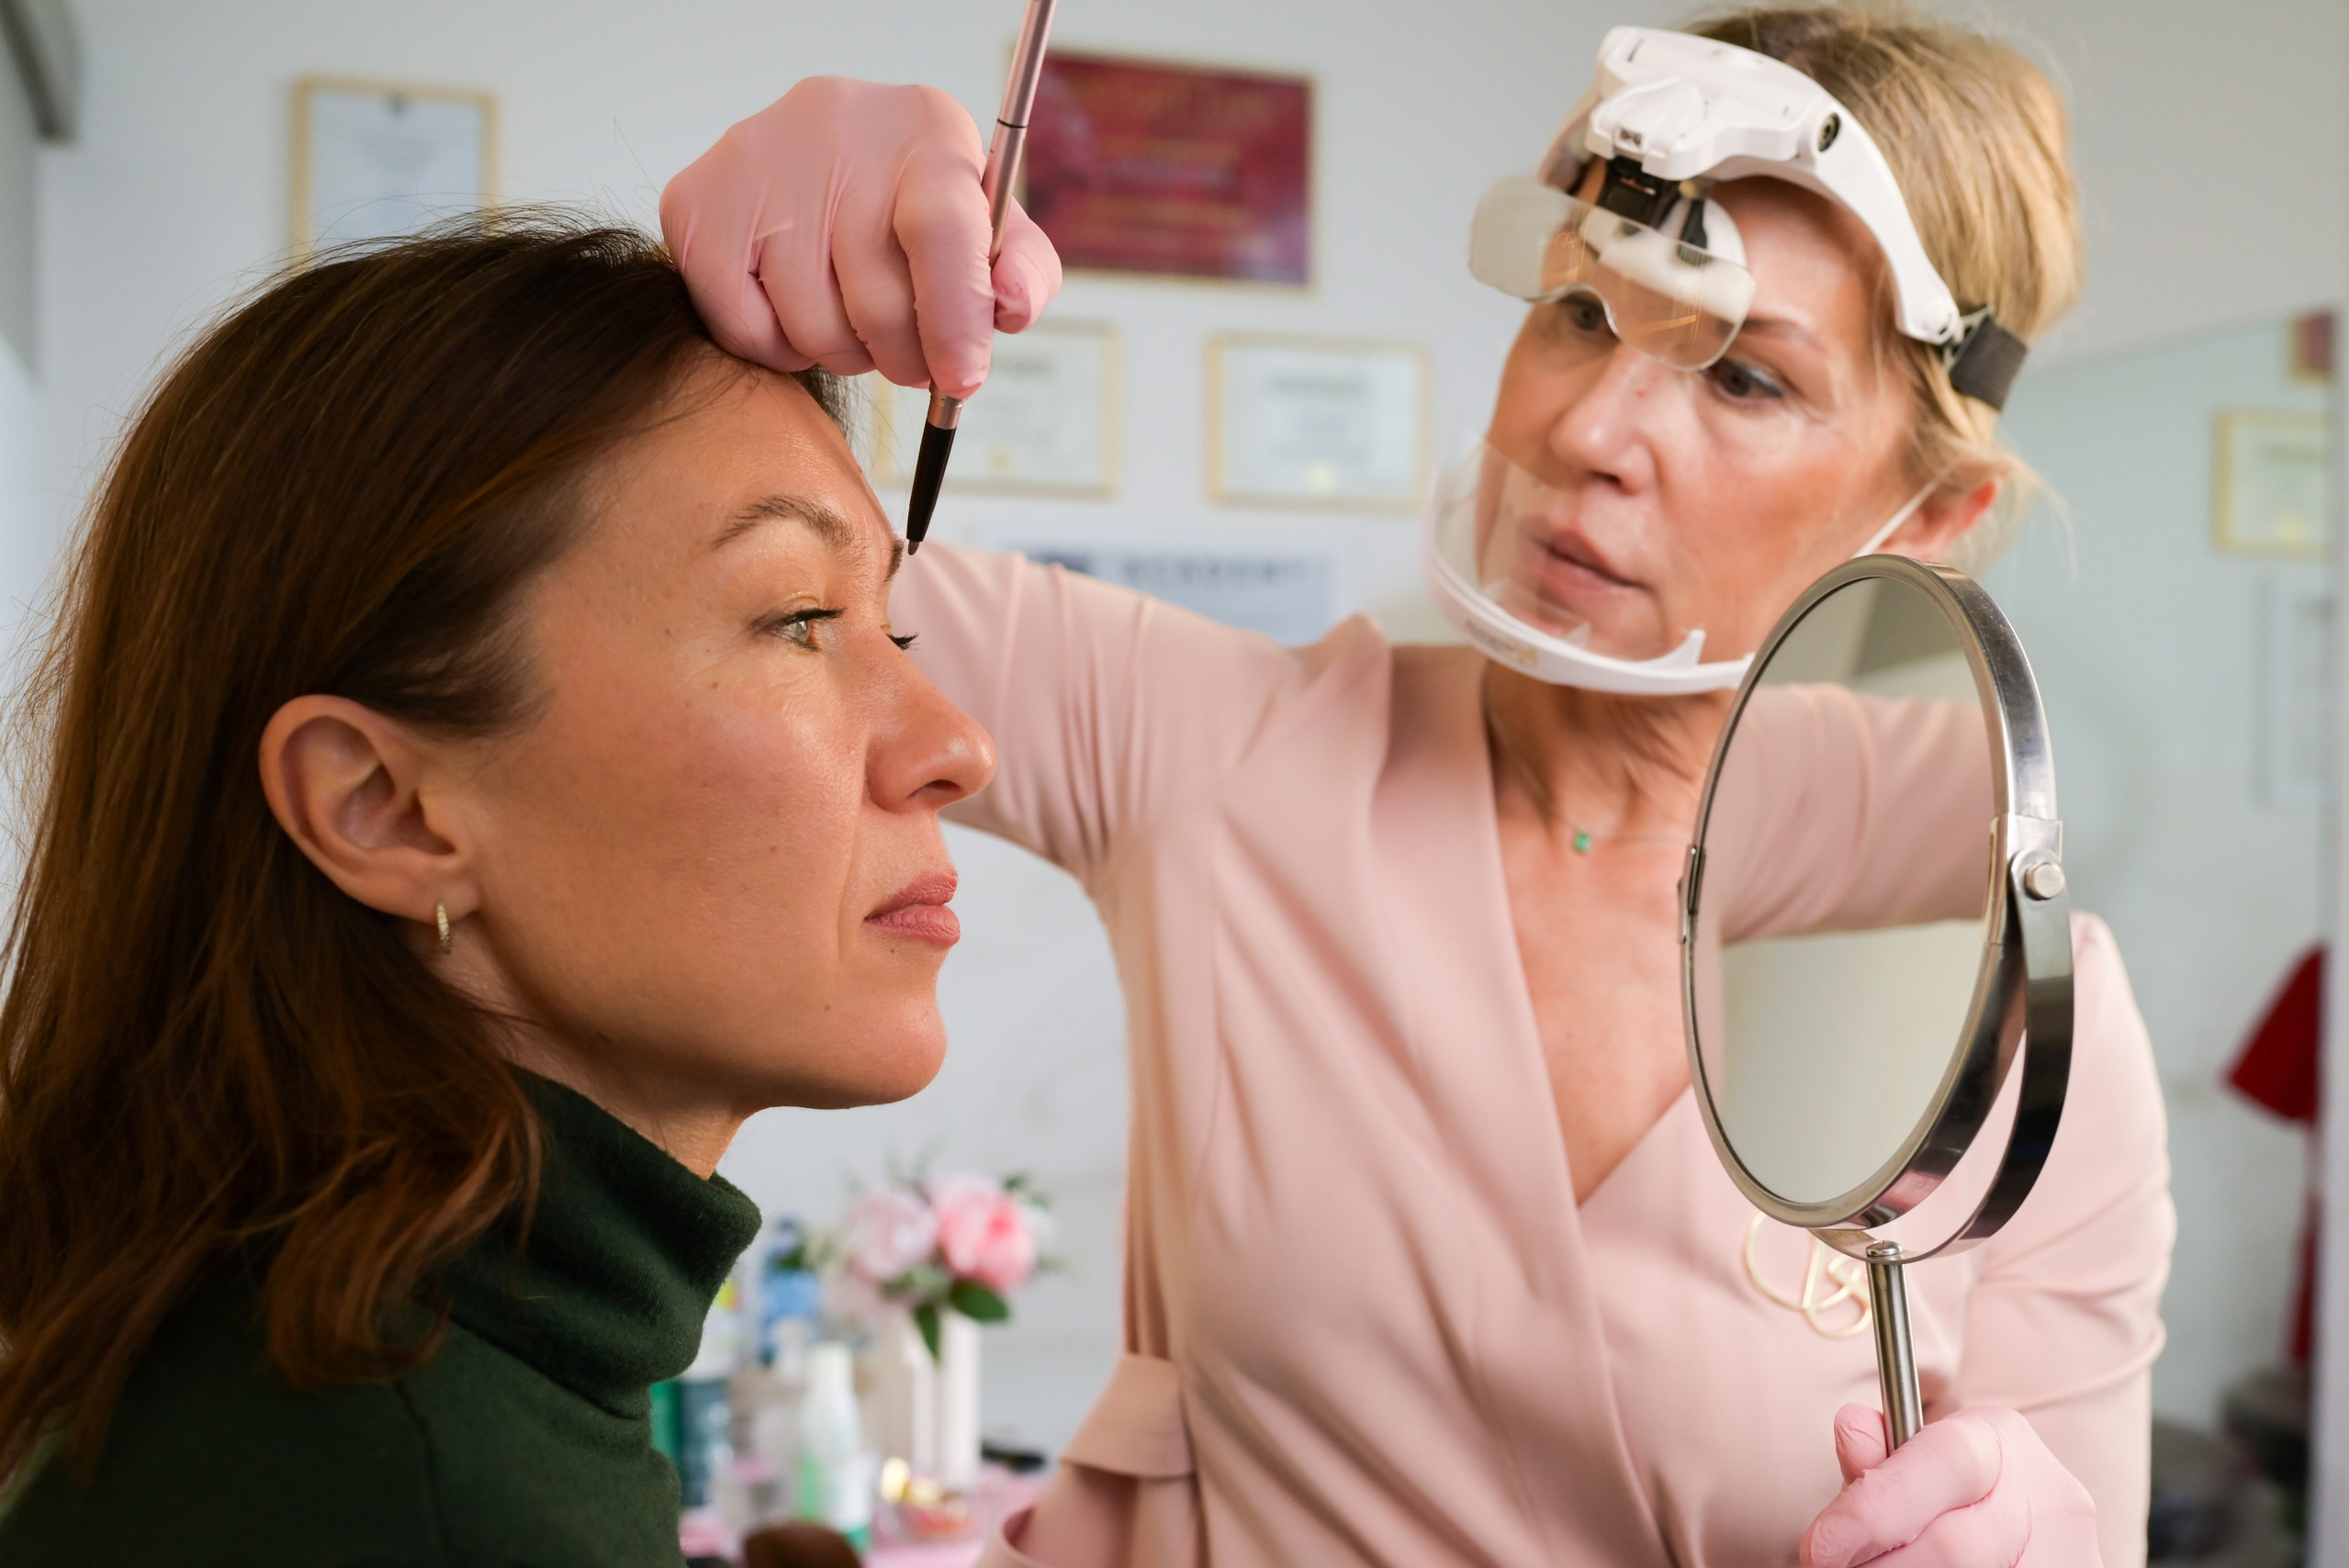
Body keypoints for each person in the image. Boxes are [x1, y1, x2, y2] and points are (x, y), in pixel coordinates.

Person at [660, 7, 2171, 1567]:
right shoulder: (1217, 747)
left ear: (1931, 514)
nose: (1590, 432)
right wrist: (727, 316)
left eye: (1742, 382)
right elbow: (698, 596)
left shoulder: (2005, 998)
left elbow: (2068, 1514)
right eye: (1581, 314)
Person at [0, 216, 995, 1565]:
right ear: (385, 809)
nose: (955, 749)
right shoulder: (382, 1498)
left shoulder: (454, 1383)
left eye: (896, 626)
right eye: (795, 619)